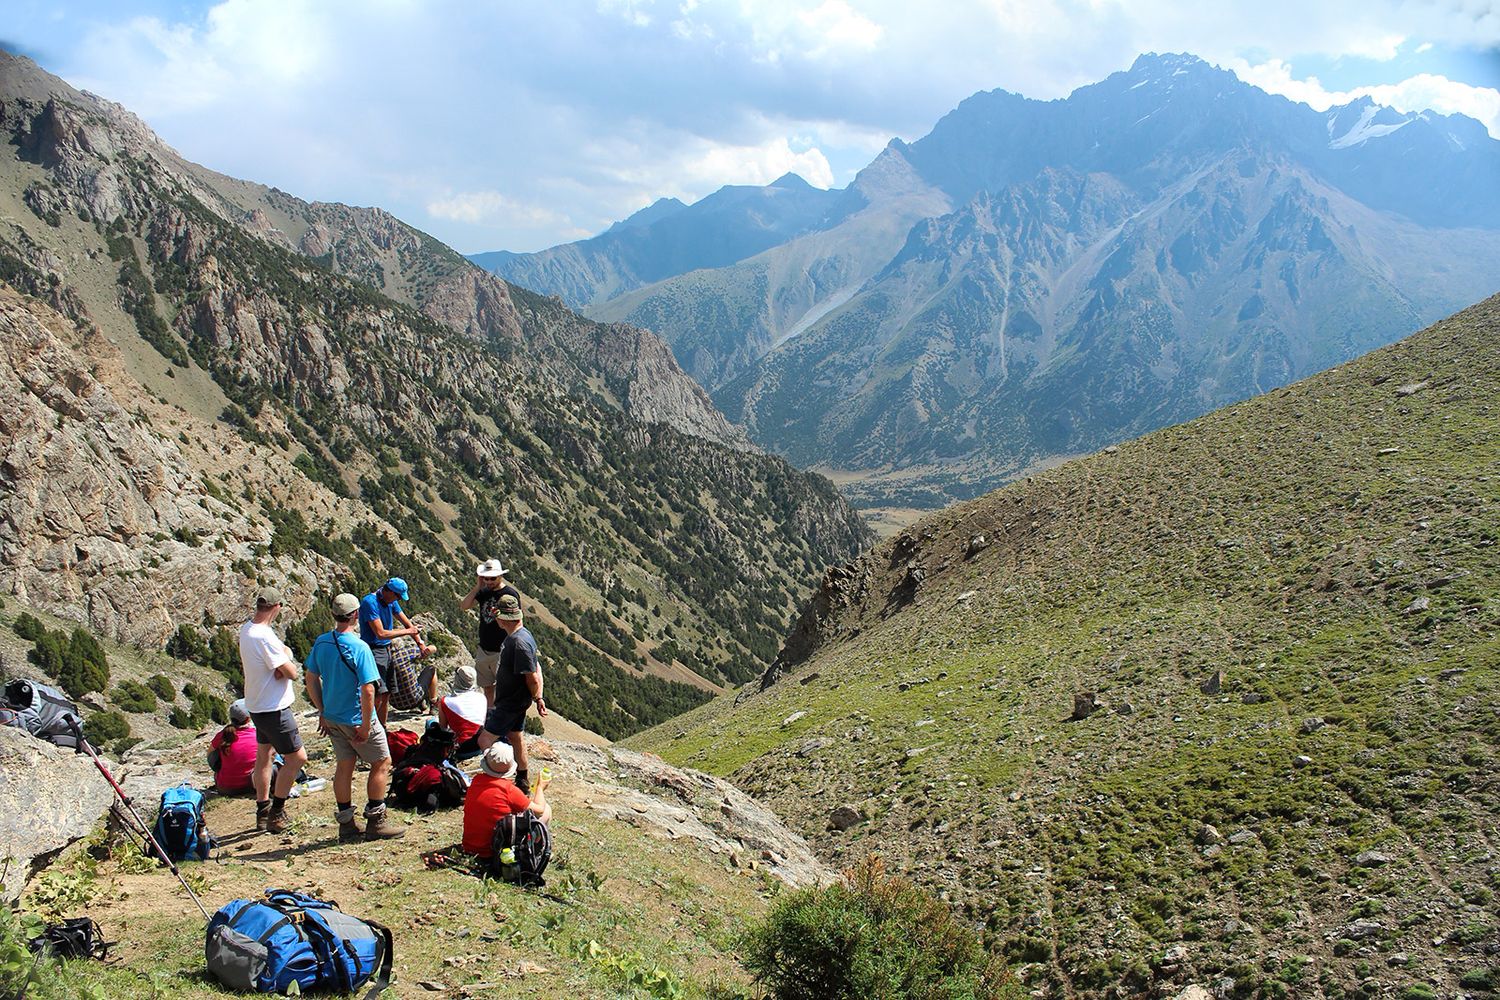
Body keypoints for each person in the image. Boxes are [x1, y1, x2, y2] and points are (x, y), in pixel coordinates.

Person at [304, 593, 406, 842]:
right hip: (356, 717)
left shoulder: (322, 642)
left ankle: (347, 825)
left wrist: (322, 710)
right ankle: (376, 821)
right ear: (356, 615)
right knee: (382, 761)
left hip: (333, 717)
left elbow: (310, 677)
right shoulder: (359, 647)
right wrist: (365, 723)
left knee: (344, 766)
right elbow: (369, 688)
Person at [237, 586, 309, 834]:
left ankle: (263, 809)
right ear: (277, 607)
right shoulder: (264, 637)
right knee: (297, 759)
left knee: (265, 754)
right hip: (274, 708)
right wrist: (285, 663)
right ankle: (277, 813)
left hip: (256, 705)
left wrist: (283, 657)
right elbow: (291, 672)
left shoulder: (248, 630)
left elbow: (281, 657)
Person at [464, 593, 546, 794]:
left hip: (510, 702)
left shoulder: (518, 643)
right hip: (517, 701)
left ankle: (494, 779)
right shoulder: (521, 635)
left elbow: (533, 675)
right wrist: (536, 698)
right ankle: (523, 780)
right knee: (516, 737)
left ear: (503, 619)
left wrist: (538, 697)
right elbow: (537, 669)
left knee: (484, 741)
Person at [358, 577, 433, 727]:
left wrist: (420, 644)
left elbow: (407, 623)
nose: (398, 599)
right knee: (378, 693)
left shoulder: (390, 601)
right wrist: (407, 631)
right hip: (374, 650)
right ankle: (370, 726)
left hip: (387, 649)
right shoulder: (370, 602)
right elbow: (380, 633)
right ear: (389, 592)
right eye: (398, 596)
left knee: (386, 693)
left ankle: (382, 727)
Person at [461, 741, 551, 858]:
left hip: (469, 847)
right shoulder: (509, 790)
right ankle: (540, 850)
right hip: (496, 852)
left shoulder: (476, 781)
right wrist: (540, 788)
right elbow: (539, 810)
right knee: (546, 809)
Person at [458, 559, 520, 711]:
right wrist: (478, 586)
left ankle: (500, 718)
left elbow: (518, 620)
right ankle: (489, 716)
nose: (489, 581)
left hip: (502, 650)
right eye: (486, 578)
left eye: (493, 578)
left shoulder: (510, 594)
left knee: (503, 688)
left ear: (500, 576)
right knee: (487, 687)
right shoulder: (483, 592)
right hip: (484, 648)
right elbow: (464, 606)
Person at [207, 699, 257, 795]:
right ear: (248, 718)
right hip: (250, 785)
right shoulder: (256, 735)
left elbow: (210, 756)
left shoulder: (222, 735)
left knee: (217, 752)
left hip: (225, 788)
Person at [437, 665, 487, 749]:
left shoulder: (445, 701)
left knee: (430, 722)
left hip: (459, 748)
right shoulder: (482, 697)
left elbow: (443, 729)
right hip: (478, 746)